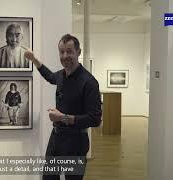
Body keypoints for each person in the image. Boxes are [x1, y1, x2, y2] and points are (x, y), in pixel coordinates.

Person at [24, 34, 102, 180]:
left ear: (78, 52)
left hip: (76, 142)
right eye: (62, 52)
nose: (65, 55)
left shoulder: (89, 82)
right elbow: (50, 76)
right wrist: (34, 60)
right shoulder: (61, 75)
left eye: (69, 51)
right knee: (48, 177)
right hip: (56, 138)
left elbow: (95, 119)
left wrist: (63, 118)